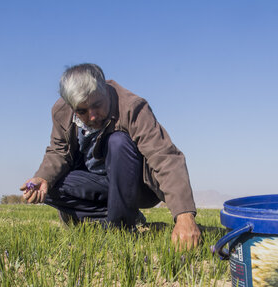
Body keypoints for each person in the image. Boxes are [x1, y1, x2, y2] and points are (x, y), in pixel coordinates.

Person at [21, 63, 201, 250]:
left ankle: (120, 228)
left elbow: (164, 157)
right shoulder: (61, 112)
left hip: (133, 184)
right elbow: (59, 151)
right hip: (98, 182)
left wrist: (184, 215)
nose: (91, 116)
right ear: (71, 106)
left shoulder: (133, 108)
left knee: (118, 142)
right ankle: (122, 217)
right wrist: (42, 177)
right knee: (49, 186)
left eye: (96, 105)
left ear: (105, 90)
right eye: (82, 111)